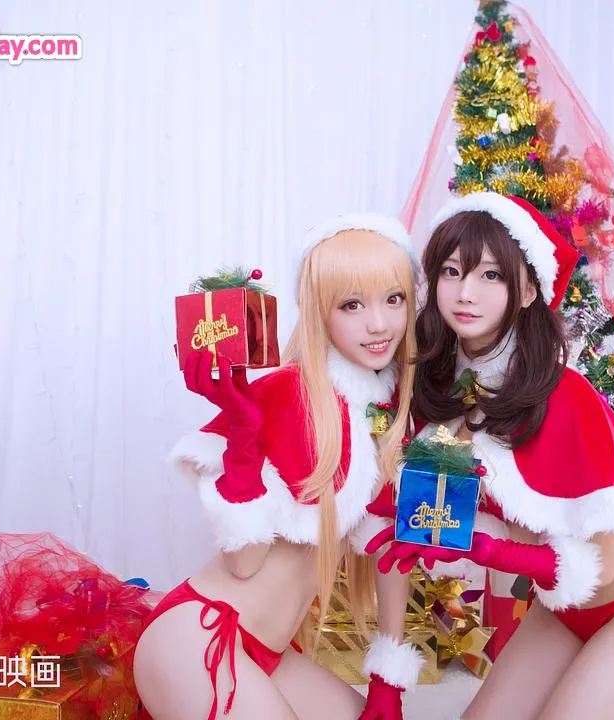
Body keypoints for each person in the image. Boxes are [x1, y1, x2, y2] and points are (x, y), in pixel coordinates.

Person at [369, 192, 614, 720]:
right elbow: (400, 530)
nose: (465, 292)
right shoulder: (434, 393)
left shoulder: (566, 397)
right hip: (561, 610)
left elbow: (603, 566)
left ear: (527, 291)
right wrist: (387, 680)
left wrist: (493, 551)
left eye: (490, 275)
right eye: (451, 271)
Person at [134, 214, 424, 719]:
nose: (379, 324)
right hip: (201, 635)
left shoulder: (389, 414)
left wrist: (388, 680)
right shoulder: (288, 393)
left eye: (393, 299)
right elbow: (242, 565)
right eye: (352, 304)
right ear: (319, 312)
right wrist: (243, 431)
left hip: (269, 655)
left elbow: (391, 549)